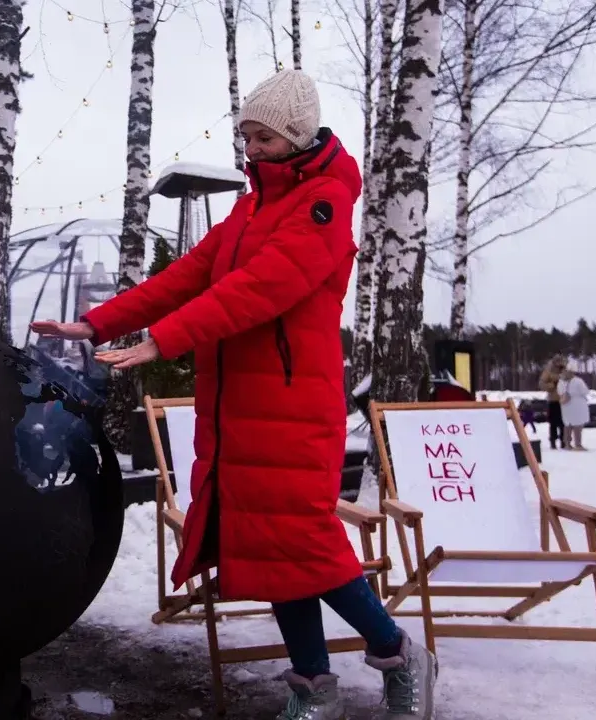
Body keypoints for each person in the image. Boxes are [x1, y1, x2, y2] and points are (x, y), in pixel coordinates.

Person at [32, 69, 435, 720]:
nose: (251, 151)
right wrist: (98, 322)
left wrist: (164, 341)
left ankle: (398, 653)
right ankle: (314, 685)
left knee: (305, 543)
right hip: (240, 408)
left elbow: (260, 290)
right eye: (245, 137)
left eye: (264, 139)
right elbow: (187, 277)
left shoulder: (323, 206)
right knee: (266, 549)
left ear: (297, 137)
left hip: (293, 408)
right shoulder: (251, 208)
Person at [538, 356, 568, 450]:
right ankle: (553, 441)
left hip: (565, 401)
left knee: (565, 423)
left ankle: (565, 441)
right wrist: (552, 385)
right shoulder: (548, 372)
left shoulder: (566, 371)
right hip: (553, 401)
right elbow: (541, 384)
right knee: (553, 423)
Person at [558, 368, 591, 450]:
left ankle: (567, 444)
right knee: (578, 425)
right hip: (578, 405)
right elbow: (585, 391)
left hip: (566, 405)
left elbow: (559, 392)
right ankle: (578, 444)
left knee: (567, 425)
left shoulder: (561, 382)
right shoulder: (578, 381)